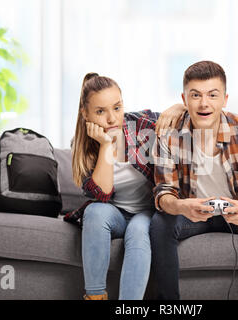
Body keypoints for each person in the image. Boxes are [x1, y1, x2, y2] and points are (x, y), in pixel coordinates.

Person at [150, 61, 238, 300]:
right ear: (184, 99)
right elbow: (163, 192)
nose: (204, 103)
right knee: (160, 223)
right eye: (196, 95)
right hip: (193, 214)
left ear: (224, 99)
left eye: (212, 95)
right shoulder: (168, 135)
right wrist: (182, 206)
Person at [71, 72, 185, 300]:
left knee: (138, 230)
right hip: (115, 214)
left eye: (117, 107)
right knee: (94, 211)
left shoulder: (142, 124)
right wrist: (105, 146)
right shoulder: (83, 148)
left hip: (148, 212)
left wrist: (177, 108)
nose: (112, 119)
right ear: (85, 114)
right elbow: (102, 195)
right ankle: (94, 296)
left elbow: (189, 115)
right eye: (100, 112)